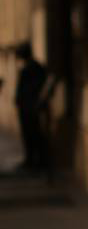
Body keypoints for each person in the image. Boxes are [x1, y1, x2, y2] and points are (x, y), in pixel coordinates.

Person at [13, 39, 51, 173]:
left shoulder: (31, 68)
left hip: (29, 106)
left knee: (32, 134)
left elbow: (27, 89)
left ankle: (36, 160)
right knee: (31, 134)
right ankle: (34, 160)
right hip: (28, 106)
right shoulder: (34, 67)